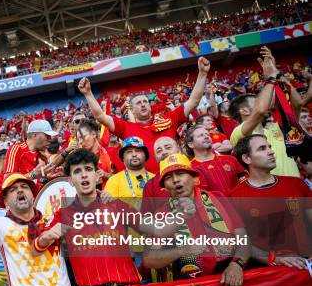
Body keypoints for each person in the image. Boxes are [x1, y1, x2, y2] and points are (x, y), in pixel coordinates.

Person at [78, 57, 211, 173]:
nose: (143, 104)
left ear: (149, 105)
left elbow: (193, 101)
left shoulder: (168, 118)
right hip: (149, 187)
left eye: (145, 102)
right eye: (138, 103)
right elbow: (100, 116)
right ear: (132, 111)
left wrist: (203, 73)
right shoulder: (125, 128)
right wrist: (88, 94)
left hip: (177, 175)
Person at [35, 149, 141, 286]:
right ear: (70, 181)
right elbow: (35, 249)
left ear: (97, 176)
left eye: (89, 169)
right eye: (77, 171)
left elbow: (153, 229)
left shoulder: (116, 205)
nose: (84, 174)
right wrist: (46, 237)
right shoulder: (63, 214)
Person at [143, 154, 249, 286]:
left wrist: (237, 264)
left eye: (180, 173)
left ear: (195, 179)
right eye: (169, 178)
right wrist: (183, 250)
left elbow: (243, 238)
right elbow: (150, 260)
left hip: (229, 278)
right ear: (164, 187)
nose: (175, 180)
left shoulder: (218, 198)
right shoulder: (161, 215)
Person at [231, 135, 311, 268]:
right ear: (247, 158)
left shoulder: (296, 183)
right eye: (262, 148)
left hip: (306, 263)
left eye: (270, 147)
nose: (271, 151)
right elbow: (244, 243)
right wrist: (275, 259)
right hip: (269, 271)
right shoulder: (235, 197)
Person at [229, 47, 299, 177]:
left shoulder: (276, 128)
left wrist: (277, 73)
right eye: (257, 101)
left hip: (298, 190)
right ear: (244, 110)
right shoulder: (238, 135)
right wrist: (271, 79)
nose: (263, 102)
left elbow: (297, 103)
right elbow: (260, 110)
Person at [185, 125, 245, 195]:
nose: (206, 137)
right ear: (191, 144)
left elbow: (245, 180)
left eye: (207, 134)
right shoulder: (189, 169)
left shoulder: (230, 159)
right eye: (200, 136)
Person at [103, 136, 153, 203]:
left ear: (145, 155)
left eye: (138, 151)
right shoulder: (114, 180)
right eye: (129, 152)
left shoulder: (155, 179)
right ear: (123, 158)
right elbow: (110, 209)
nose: (134, 154)